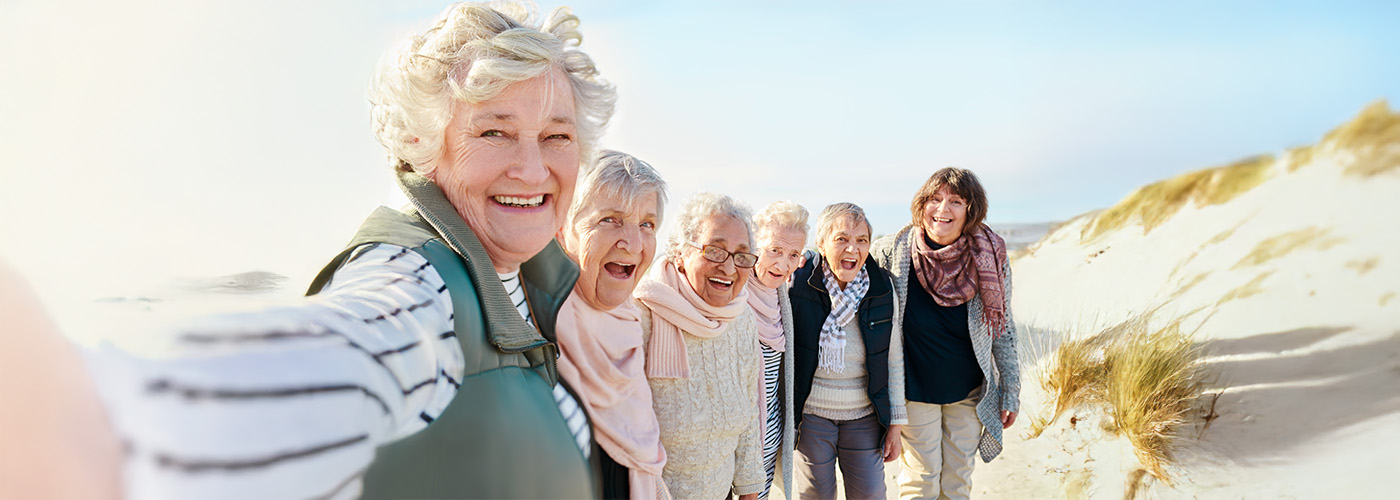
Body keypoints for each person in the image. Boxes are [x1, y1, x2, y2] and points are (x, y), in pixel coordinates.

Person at [87, 2, 616, 498]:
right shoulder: (414, 281)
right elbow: (334, 357)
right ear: (423, 144)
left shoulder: (533, 281)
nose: (531, 168)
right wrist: (97, 418)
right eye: (495, 132)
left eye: (556, 137)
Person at [871, 168, 1020, 500]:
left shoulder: (990, 254)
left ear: (971, 210)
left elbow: (1004, 326)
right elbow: (847, 269)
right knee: (921, 480)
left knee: (957, 481)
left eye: (955, 201)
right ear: (921, 204)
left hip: (968, 391)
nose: (943, 210)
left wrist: (1011, 389)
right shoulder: (893, 251)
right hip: (913, 388)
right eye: (935, 199)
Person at [556, 151, 671, 500]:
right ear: (564, 230)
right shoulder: (534, 324)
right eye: (610, 219)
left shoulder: (630, 319)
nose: (633, 244)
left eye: (647, 225)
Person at [635, 192, 765, 500]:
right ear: (680, 253)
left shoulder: (742, 318)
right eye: (715, 251)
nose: (729, 268)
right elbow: (627, 437)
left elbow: (748, 416)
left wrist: (750, 491)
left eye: (741, 256)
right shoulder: (641, 314)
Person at [789, 202, 906, 500]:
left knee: (871, 494)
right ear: (821, 243)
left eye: (861, 240)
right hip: (812, 416)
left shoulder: (881, 288)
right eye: (841, 239)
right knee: (815, 496)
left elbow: (893, 359)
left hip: (864, 416)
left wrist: (895, 424)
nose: (852, 249)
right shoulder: (799, 282)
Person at [745, 201, 810, 500]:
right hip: (737, 451)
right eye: (774, 250)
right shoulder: (731, 294)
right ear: (754, 245)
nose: (783, 265)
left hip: (769, 446)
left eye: (793, 255)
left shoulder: (780, 297)